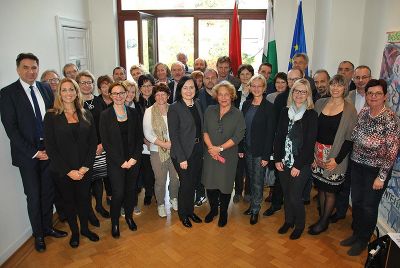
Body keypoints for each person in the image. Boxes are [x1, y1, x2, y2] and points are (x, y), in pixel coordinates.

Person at [0, 53, 66, 252]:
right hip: (27, 156)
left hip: (49, 152)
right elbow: (11, 129)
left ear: (38, 68)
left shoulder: (45, 88)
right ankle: (38, 235)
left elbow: (53, 119)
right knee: (34, 196)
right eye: (26, 67)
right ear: (18, 69)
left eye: (34, 67)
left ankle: (47, 227)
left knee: (48, 193)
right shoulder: (7, 93)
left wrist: (50, 148)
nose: (31, 71)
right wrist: (35, 153)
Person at [341, 79, 400, 256]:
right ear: (366, 95)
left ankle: (363, 239)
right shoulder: (365, 111)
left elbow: (392, 151)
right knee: (357, 202)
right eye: (370, 93)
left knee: (369, 205)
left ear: (385, 96)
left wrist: (381, 177)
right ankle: (357, 234)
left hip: (375, 171)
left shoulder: (390, 119)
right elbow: (356, 133)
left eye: (377, 93)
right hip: (357, 164)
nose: (373, 96)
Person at [44, 78, 100, 248]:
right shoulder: (51, 116)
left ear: (77, 92)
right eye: (64, 90)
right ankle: (74, 233)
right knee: (69, 202)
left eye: (71, 90)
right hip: (63, 171)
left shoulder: (85, 113)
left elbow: (93, 143)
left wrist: (84, 167)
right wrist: (69, 171)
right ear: (59, 93)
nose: (68, 93)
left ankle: (84, 229)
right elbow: (51, 147)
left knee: (84, 200)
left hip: (84, 168)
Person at [308, 74, 357, 236]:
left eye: (339, 85)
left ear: (345, 88)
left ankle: (323, 223)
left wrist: (336, 160)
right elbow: (312, 130)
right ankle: (323, 217)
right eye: (333, 85)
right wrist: (313, 155)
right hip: (318, 154)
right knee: (321, 188)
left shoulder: (350, 109)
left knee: (330, 191)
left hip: (336, 157)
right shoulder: (320, 103)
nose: (335, 88)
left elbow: (350, 139)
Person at [273, 78, 318, 240]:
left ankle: (299, 225)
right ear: (292, 93)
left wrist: (298, 165)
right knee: (286, 194)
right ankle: (288, 221)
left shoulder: (311, 115)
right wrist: (277, 158)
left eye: (303, 91)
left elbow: (309, 144)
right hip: (284, 162)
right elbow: (278, 137)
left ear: (308, 95)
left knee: (295, 196)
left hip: (301, 164)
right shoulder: (285, 112)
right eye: (296, 91)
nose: (299, 94)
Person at [99, 82, 143, 238]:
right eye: (115, 93)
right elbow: (106, 143)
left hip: (132, 161)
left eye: (121, 93)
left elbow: (139, 138)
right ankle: (115, 223)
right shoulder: (105, 115)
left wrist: (134, 158)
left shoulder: (133, 112)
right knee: (118, 194)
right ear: (110, 96)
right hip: (116, 162)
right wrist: (121, 162)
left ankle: (129, 217)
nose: (118, 96)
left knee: (131, 192)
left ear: (126, 94)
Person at [202, 81, 245, 227]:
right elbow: (204, 130)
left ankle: (224, 212)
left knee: (225, 185)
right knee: (210, 184)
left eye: (226, 94)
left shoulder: (238, 114)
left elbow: (238, 136)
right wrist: (211, 148)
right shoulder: (209, 110)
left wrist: (219, 149)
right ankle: (213, 210)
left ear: (232, 96)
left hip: (228, 155)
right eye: (220, 94)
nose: (223, 97)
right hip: (210, 154)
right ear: (216, 96)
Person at [264, 68, 303, 217]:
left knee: (295, 183)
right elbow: (274, 125)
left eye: (296, 79)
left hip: (299, 150)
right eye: (290, 80)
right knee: (279, 178)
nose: (293, 83)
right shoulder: (281, 99)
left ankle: (293, 208)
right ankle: (276, 204)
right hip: (282, 146)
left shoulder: (308, 101)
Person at [168, 76, 203, 228]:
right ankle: (183, 214)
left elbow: (200, 129)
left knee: (193, 183)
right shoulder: (175, 108)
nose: (189, 91)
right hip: (181, 153)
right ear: (180, 90)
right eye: (185, 88)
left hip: (197, 150)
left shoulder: (198, 104)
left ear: (196, 90)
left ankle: (190, 211)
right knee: (186, 183)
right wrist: (182, 158)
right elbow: (174, 135)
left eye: (192, 87)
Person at [242, 75, 276, 225]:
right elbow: (242, 128)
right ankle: (252, 205)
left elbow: (270, 133)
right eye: (253, 86)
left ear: (264, 88)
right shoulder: (246, 105)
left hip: (260, 151)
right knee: (250, 178)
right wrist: (241, 147)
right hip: (247, 148)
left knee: (258, 181)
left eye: (259, 86)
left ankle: (255, 209)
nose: (256, 89)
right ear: (249, 87)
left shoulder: (269, 108)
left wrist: (266, 156)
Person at [143, 83, 180, 218]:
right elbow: (147, 133)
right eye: (157, 94)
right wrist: (164, 144)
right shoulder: (149, 111)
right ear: (154, 96)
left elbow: (179, 129)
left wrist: (172, 144)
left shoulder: (174, 109)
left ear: (168, 96)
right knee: (160, 180)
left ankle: (173, 198)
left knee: (176, 177)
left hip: (175, 149)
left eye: (163, 94)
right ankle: (160, 204)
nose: (160, 97)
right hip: (157, 150)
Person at [76, 71, 103, 227]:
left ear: (93, 85)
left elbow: (107, 125)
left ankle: (99, 206)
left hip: (101, 147)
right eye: (83, 82)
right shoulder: (74, 103)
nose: (86, 85)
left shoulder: (100, 101)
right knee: (86, 183)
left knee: (98, 179)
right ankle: (89, 212)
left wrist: (102, 144)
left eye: (89, 82)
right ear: (77, 85)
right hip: (83, 151)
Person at [232, 64, 254, 204]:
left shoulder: (256, 92)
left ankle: (249, 192)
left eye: (248, 74)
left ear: (252, 75)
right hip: (236, 133)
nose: (245, 77)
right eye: (242, 74)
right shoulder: (235, 93)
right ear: (238, 76)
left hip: (251, 133)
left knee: (249, 165)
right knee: (238, 165)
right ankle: (238, 192)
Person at [136, 74, 156, 208]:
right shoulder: (136, 104)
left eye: (149, 85)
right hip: (142, 143)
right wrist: (145, 140)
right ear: (140, 88)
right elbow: (136, 125)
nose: (147, 88)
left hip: (157, 142)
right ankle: (149, 192)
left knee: (156, 169)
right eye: (144, 86)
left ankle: (156, 191)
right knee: (147, 170)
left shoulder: (159, 101)